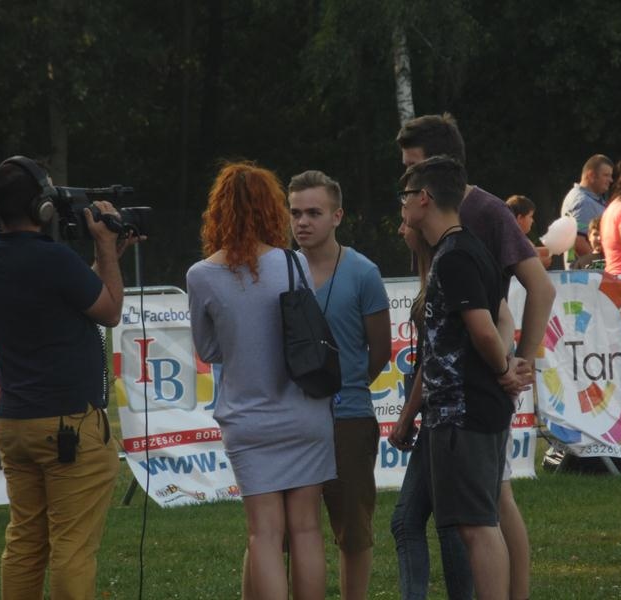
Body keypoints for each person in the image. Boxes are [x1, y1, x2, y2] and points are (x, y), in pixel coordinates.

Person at [396, 113, 555, 600]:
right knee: (445, 519)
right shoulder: (440, 237)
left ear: (432, 180)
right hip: (449, 398)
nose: (403, 182)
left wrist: (515, 367)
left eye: (410, 170)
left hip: (468, 400)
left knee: (486, 513)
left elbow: (520, 300)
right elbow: (443, 326)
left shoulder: (481, 218)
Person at [0, 156, 130, 599]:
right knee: (72, 547)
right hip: (69, 426)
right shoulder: (54, 258)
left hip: (16, 423)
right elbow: (110, 312)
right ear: (41, 205)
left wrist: (107, 258)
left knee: (25, 542)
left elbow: (80, 297)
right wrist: (104, 246)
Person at [187, 162, 335, 600]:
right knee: (307, 529)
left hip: (248, 419)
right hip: (305, 413)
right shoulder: (293, 262)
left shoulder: (201, 276)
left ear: (218, 212)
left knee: (264, 535)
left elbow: (208, 350)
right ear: (272, 208)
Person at [288, 169, 392, 600]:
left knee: (353, 530)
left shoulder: (363, 272)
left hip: (348, 417)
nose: (302, 222)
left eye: (314, 212)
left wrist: (347, 386)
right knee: (289, 531)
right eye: (295, 212)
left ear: (337, 216)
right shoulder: (279, 270)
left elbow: (380, 350)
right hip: (291, 418)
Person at [388, 216, 474, 600]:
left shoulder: (443, 271)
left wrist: (405, 417)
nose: (400, 230)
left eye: (404, 223)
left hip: (447, 416)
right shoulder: (434, 272)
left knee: (439, 523)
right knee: (412, 521)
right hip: (438, 416)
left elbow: (432, 359)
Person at [560, 154, 615, 263]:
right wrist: (601, 266)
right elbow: (578, 241)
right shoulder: (584, 201)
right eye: (606, 175)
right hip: (589, 273)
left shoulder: (585, 198)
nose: (611, 180)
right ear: (591, 175)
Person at [506, 194, 552, 269]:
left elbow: (533, 251)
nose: (532, 221)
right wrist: (540, 263)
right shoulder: (515, 241)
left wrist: (556, 248)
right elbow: (519, 266)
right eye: (530, 216)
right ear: (520, 218)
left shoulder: (517, 238)